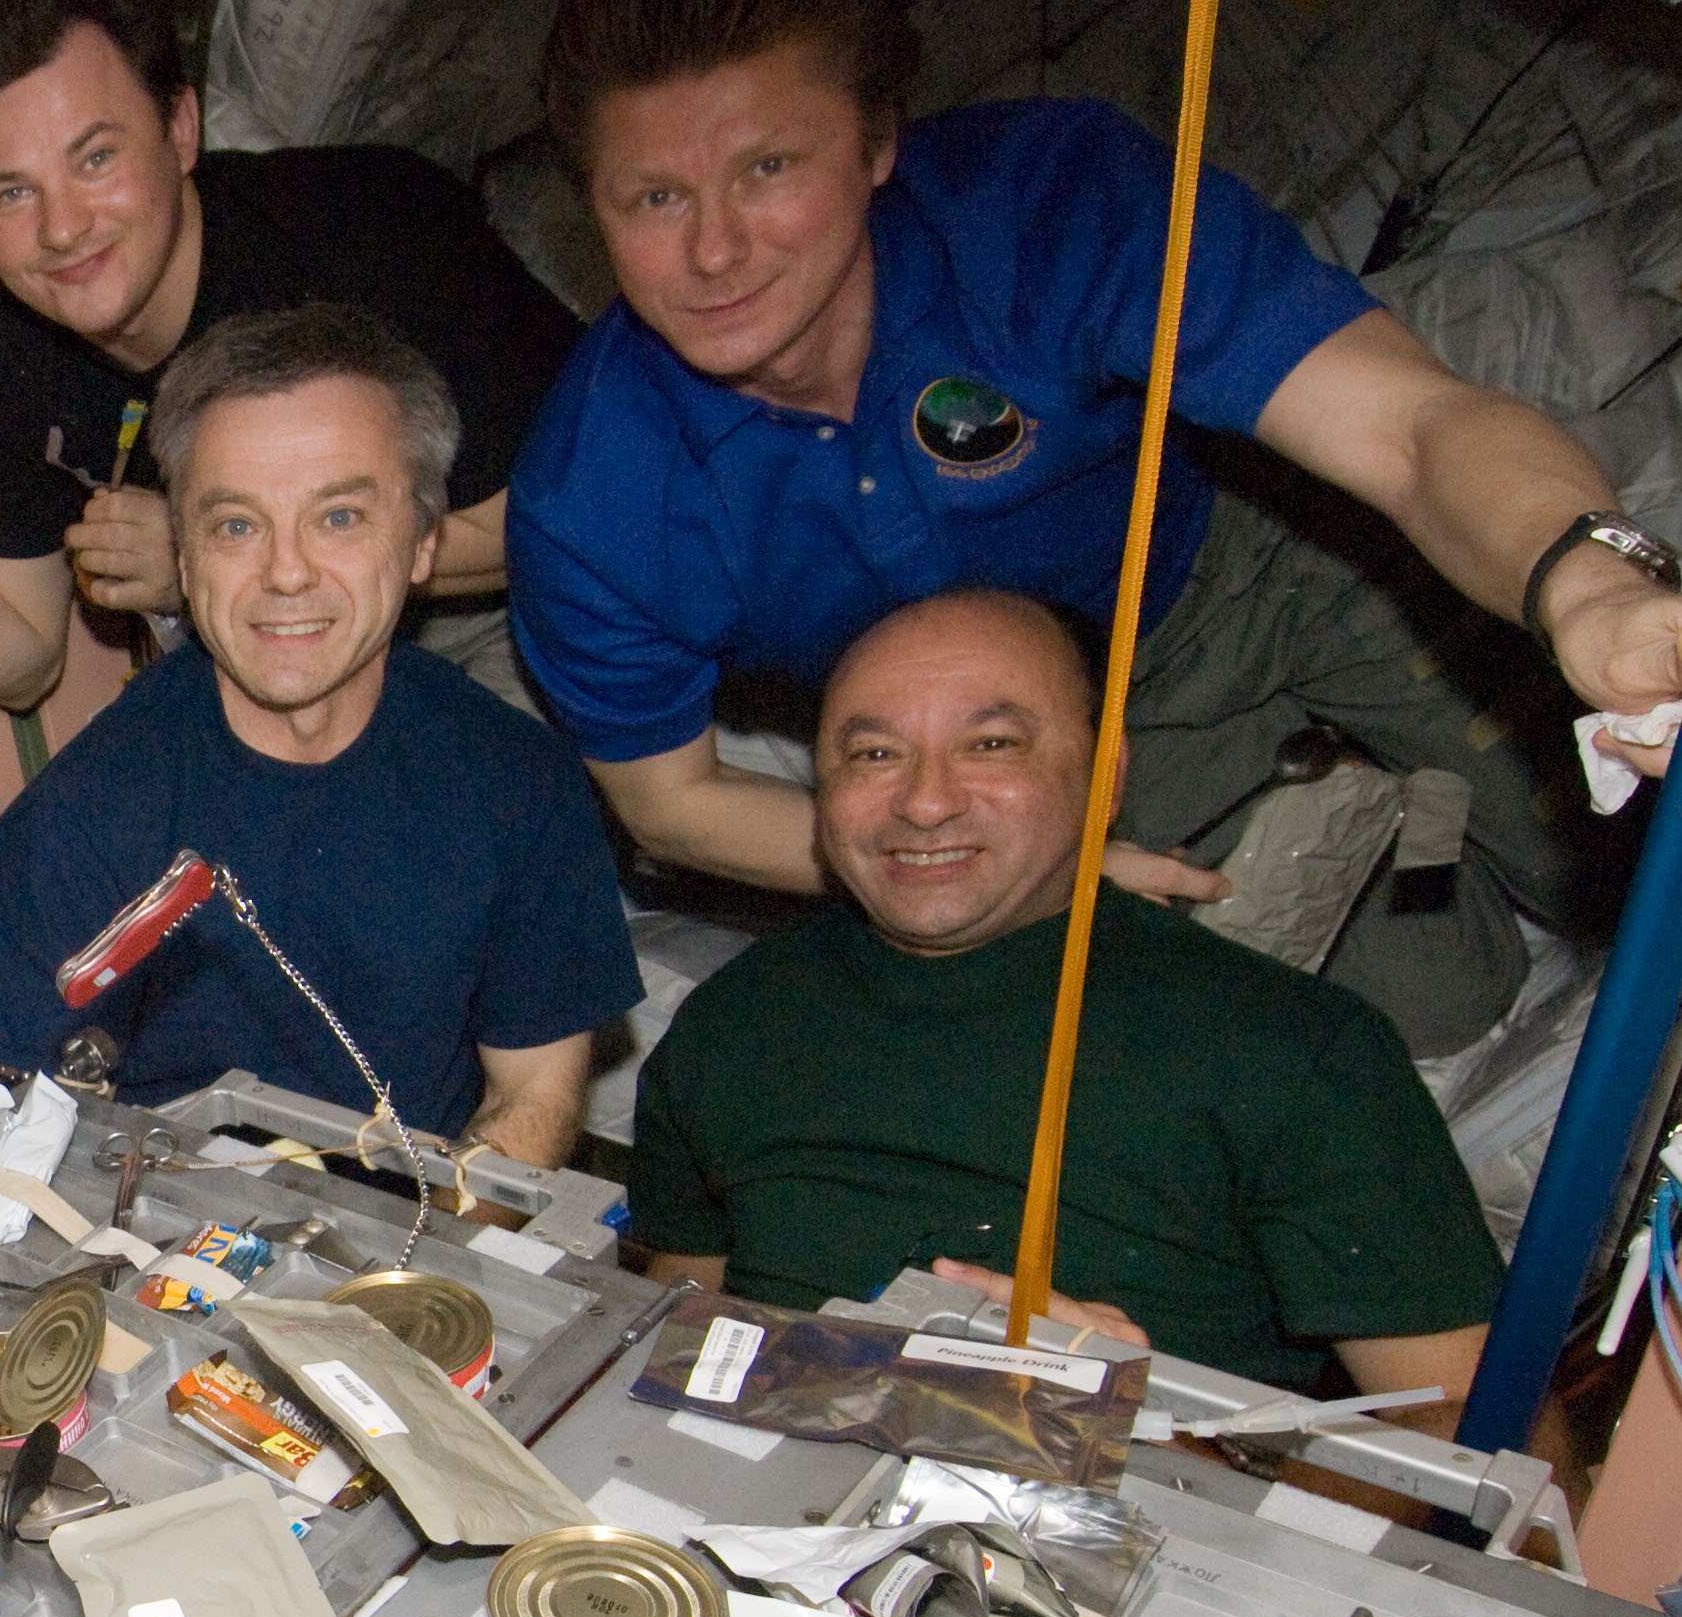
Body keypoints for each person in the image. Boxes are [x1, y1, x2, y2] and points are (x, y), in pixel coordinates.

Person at [508, 0, 1682, 1055]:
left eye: (768, 167)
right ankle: (1342, 813)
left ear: (875, 143)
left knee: (1657, 853)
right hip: (1035, 733)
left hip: (1268, 561)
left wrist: (1585, 579)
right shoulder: (589, 498)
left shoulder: (1051, 203)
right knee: (1403, 1007)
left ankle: (1380, 777)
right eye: (653, 197)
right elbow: (676, 803)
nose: (714, 250)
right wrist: (1021, 868)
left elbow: (1412, 426)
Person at [628, 591, 1504, 1410]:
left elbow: (1470, 1444)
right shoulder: (733, 1023)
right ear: (823, 795)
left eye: (993, 745)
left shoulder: (1294, 1052)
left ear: (1104, 776)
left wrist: (1163, 1428)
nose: (926, 801)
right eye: (875, 754)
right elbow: (662, 1341)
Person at [0, 0, 582, 708]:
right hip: (269, 666)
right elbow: (22, 649)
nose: (62, 229)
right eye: (12, 193)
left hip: (500, 614)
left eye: (95, 158)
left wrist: (207, 553)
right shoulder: (12, 364)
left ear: (180, 130)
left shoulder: (373, 228)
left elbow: (566, 518)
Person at [0, 305, 638, 1165]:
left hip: (426, 1242)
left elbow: (532, 1095)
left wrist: (406, 1287)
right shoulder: (77, 822)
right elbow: (20, 1151)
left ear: (423, 540)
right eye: (236, 525)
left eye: (339, 517)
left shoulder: (519, 782)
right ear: (186, 557)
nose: (286, 571)